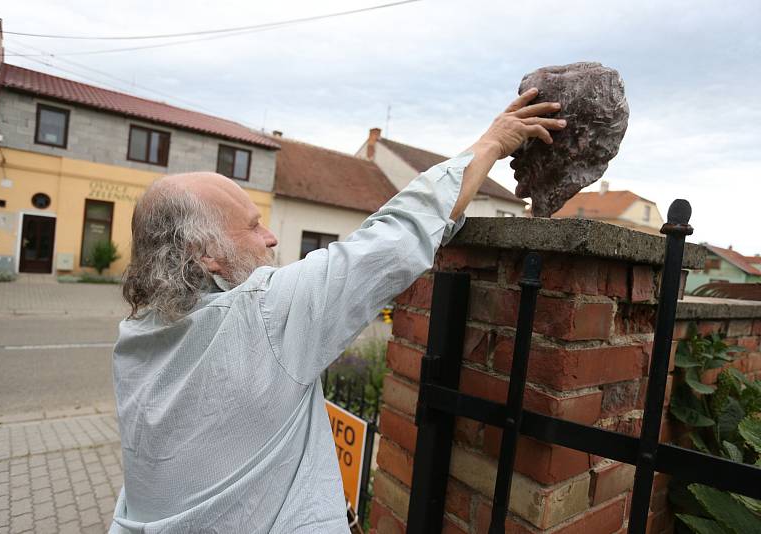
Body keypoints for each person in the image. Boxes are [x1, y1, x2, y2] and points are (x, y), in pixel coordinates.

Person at [109, 88, 565, 533]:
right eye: (252, 226)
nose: (270, 237)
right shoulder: (264, 315)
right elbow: (393, 239)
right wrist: (492, 142)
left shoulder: (136, 335)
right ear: (204, 253)